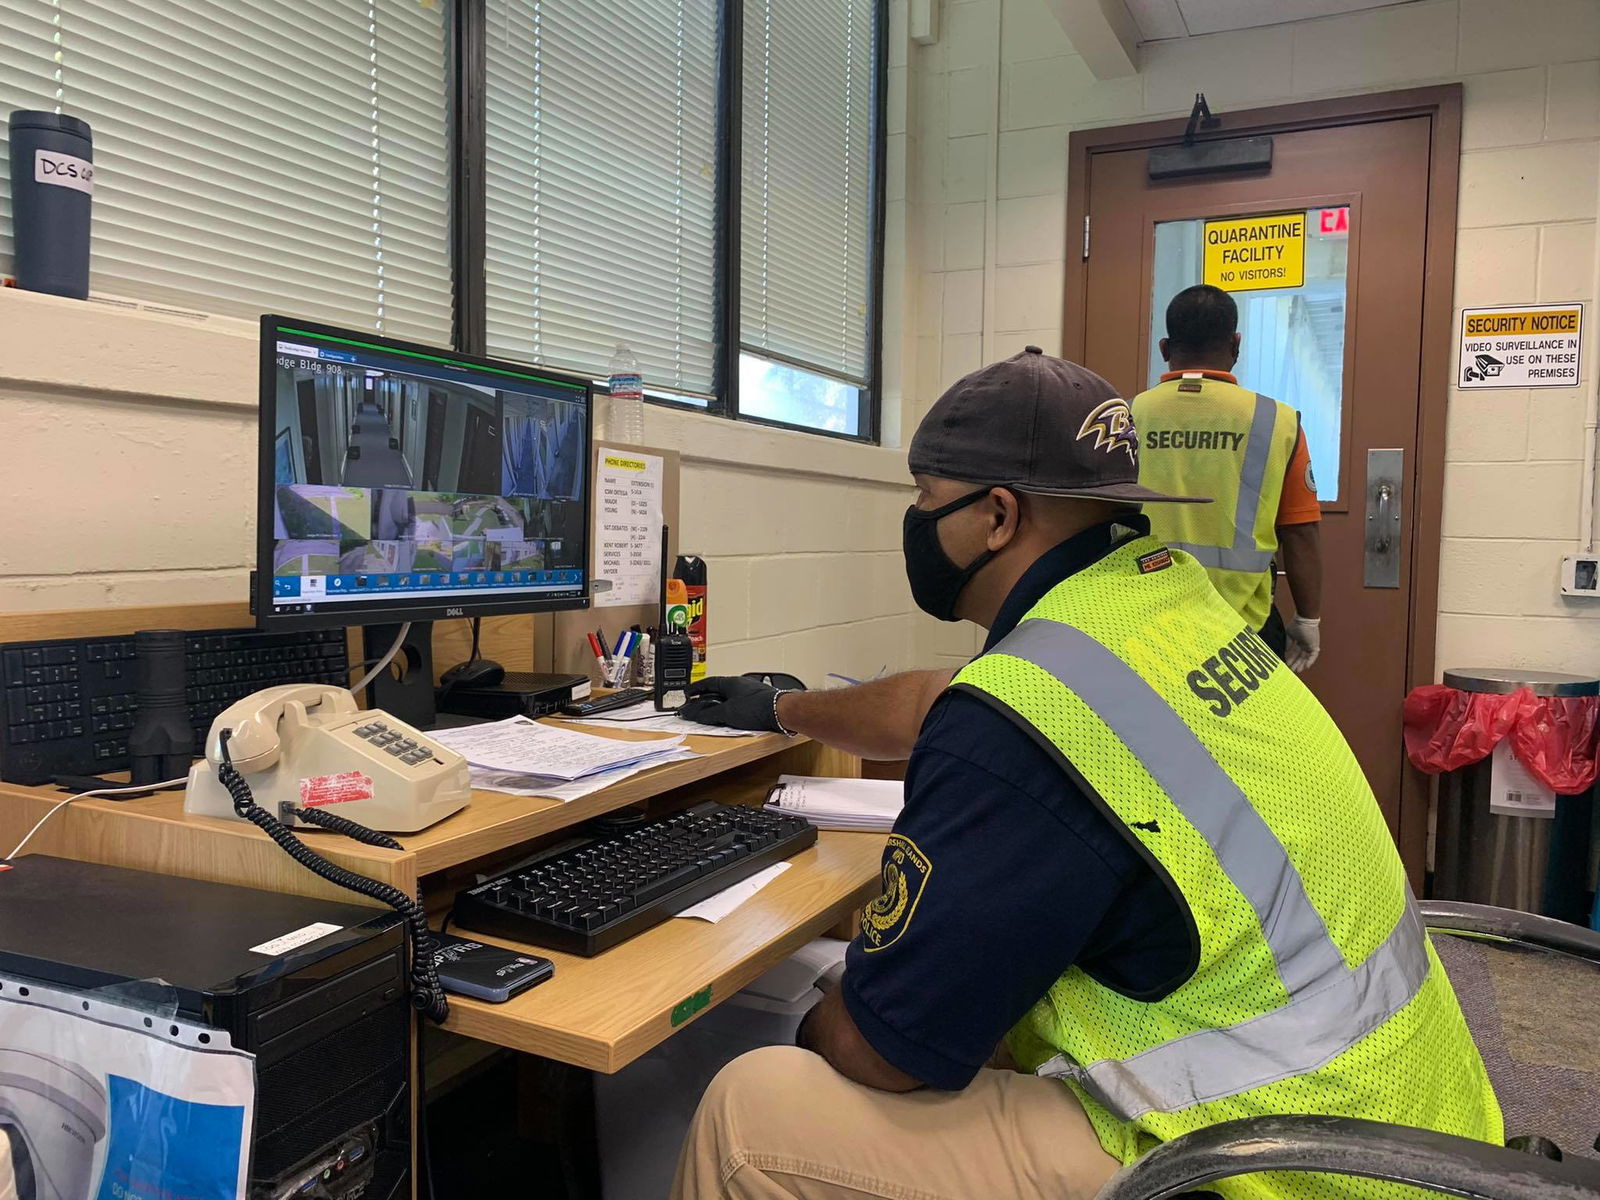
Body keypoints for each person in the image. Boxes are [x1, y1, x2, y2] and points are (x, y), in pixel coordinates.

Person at [672, 348, 1499, 1200]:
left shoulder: (1021, 718)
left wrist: (806, 1013)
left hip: (1265, 1169)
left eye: (923, 497)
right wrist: (784, 708)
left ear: (996, 516)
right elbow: (939, 701)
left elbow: (887, 1053)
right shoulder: (1163, 600)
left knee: (754, 1107)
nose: (916, 521)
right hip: (1420, 1129)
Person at [1133, 284, 1323, 670]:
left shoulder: (1127, 416)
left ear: (1165, 350)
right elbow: (1300, 531)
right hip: (1242, 628)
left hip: (1143, 620)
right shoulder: (1278, 421)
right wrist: (1307, 619)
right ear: (1236, 344)